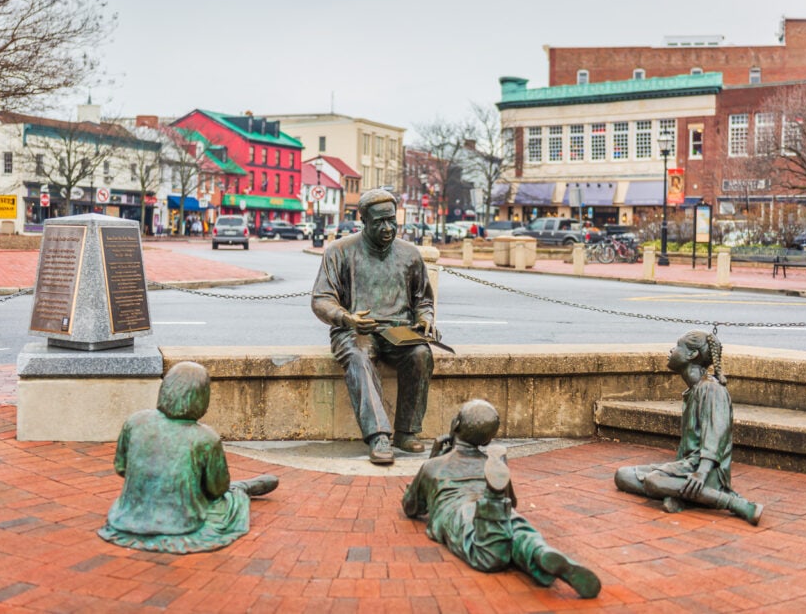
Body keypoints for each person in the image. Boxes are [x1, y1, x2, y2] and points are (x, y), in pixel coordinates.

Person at [402, 399, 601, 599]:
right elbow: (512, 503)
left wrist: (432, 459)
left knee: (483, 550)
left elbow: (411, 507)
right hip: (486, 499)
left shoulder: (434, 466)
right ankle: (537, 550)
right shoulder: (490, 463)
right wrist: (499, 478)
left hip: (455, 508)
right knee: (513, 524)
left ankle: (494, 506)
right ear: (488, 441)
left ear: (455, 425)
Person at [312, 188, 437, 465]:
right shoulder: (339, 252)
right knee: (359, 356)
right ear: (364, 221)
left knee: (421, 354)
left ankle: (407, 431)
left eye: (391, 220)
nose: (387, 228)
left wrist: (425, 319)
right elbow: (322, 300)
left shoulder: (410, 255)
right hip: (355, 331)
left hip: (399, 331)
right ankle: (378, 435)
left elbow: (423, 300)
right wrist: (347, 318)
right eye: (379, 222)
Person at [98, 362, 279, 554]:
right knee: (231, 500)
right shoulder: (206, 437)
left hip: (127, 518)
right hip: (180, 523)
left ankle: (244, 486)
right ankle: (243, 488)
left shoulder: (135, 421)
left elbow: (121, 468)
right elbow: (216, 489)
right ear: (202, 397)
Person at [614, 331, 764, 525]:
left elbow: (716, 434)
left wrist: (701, 471)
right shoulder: (694, 389)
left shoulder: (711, 389)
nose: (671, 350)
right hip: (687, 466)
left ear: (691, 355)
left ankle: (734, 502)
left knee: (653, 481)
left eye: (677, 346)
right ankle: (685, 493)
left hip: (707, 470)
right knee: (623, 475)